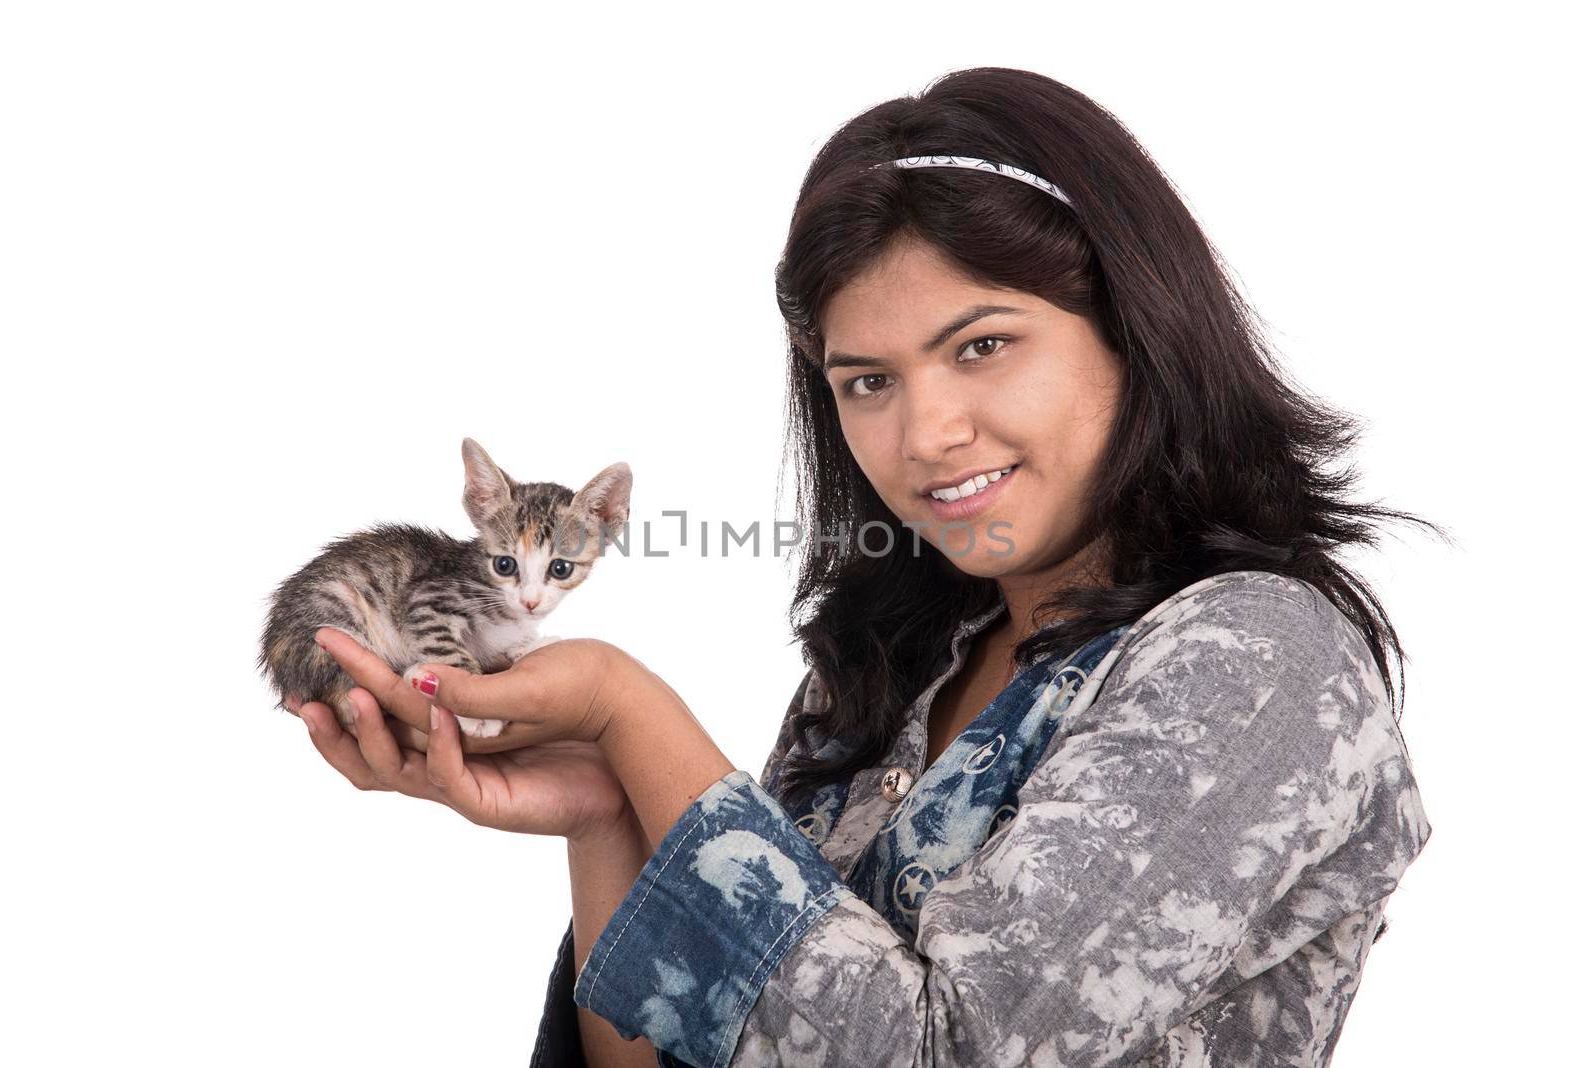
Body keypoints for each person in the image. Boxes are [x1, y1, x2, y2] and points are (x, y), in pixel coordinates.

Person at [287, 67, 1438, 1067]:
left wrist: (634, 715)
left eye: (981, 346)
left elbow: (950, 1050)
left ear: (1135, 331)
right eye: (867, 381)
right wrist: (610, 815)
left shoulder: (1256, 662)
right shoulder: (888, 665)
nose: (924, 433)